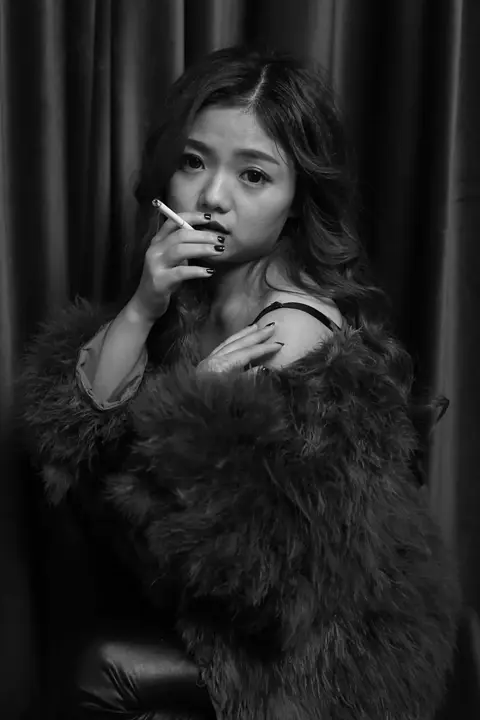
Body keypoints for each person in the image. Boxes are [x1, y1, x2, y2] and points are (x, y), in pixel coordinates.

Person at [19, 45, 461, 719]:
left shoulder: (290, 332)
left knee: (100, 667)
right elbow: (70, 444)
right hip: (208, 617)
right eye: (194, 162)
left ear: (296, 202)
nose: (213, 197)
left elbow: (249, 570)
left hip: (320, 656)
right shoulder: (191, 294)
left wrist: (182, 415)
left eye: (253, 176)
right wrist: (142, 307)